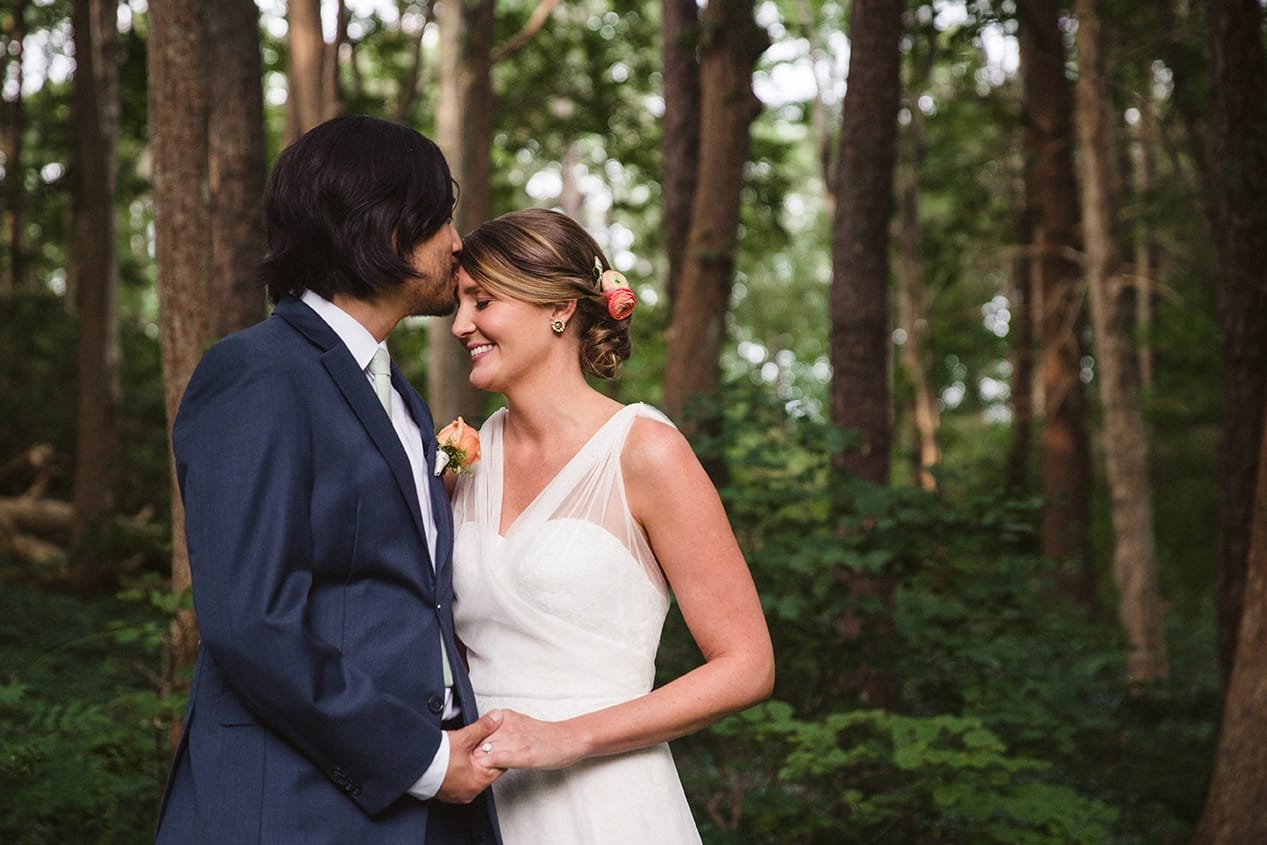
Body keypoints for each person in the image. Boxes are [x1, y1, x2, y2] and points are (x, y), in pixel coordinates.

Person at [154, 115, 502, 845]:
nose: (456, 243)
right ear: (385, 231)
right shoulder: (256, 373)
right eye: (440, 219)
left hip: (424, 811)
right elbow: (252, 620)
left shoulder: (397, 394)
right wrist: (424, 759)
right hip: (294, 806)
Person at [446, 207, 776, 843]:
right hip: (479, 809)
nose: (462, 325)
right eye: (459, 305)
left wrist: (567, 738)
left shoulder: (645, 452)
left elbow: (748, 664)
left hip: (606, 804)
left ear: (558, 309)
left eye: (482, 302)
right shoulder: (464, 460)